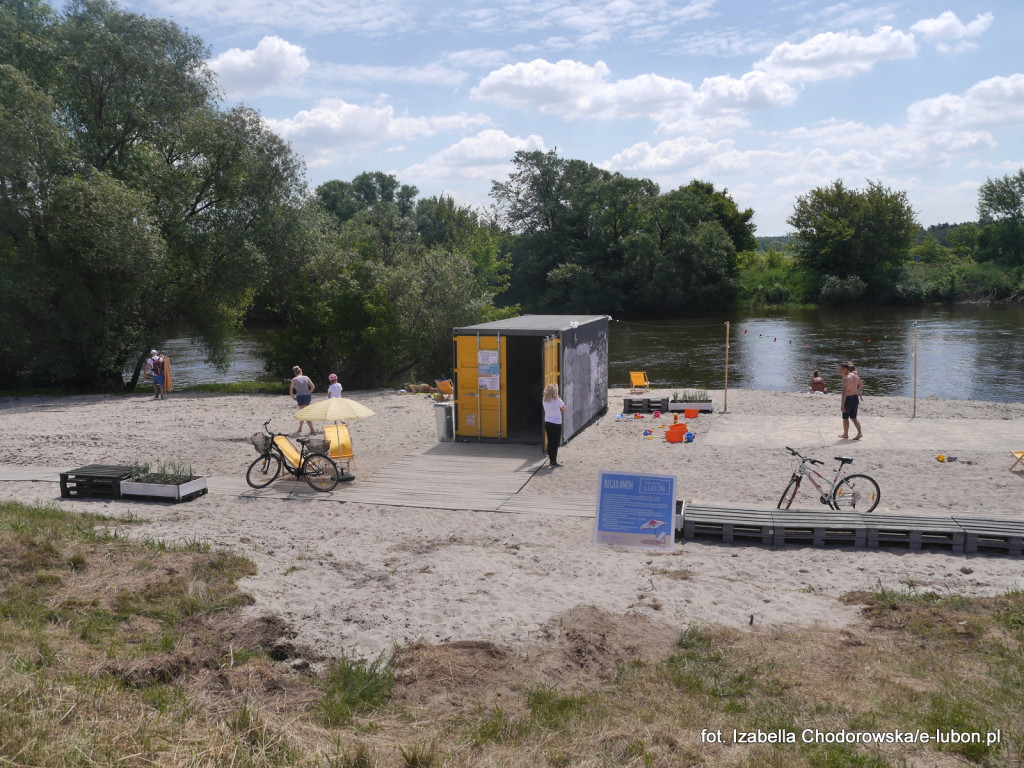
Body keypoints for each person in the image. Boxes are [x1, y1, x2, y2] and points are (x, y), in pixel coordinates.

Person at [542, 383, 566, 467]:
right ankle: (553, 461)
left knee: (550, 441)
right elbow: (564, 409)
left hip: (547, 422)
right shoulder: (558, 401)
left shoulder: (544, 400)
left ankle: (550, 457)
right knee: (555, 443)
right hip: (556, 423)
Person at [838, 361, 863, 440]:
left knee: (845, 418)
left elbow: (844, 392)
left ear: (845, 369)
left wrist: (842, 404)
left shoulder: (845, 378)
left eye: (841, 369)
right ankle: (860, 433)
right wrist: (854, 388)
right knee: (854, 418)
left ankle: (845, 434)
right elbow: (861, 385)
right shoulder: (855, 375)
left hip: (848, 399)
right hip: (855, 398)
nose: (839, 371)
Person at [290, 366, 317, 435]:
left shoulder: (294, 379)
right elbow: (313, 387)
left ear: (295, 373)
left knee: (305, 413)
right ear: (300, 371)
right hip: (308, 396)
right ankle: (300, 428)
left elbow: (291, 390)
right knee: (303, 412)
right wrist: (309, 392)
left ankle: (312, 430)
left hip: (300, 397)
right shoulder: (306, 377)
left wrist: (293, 397)